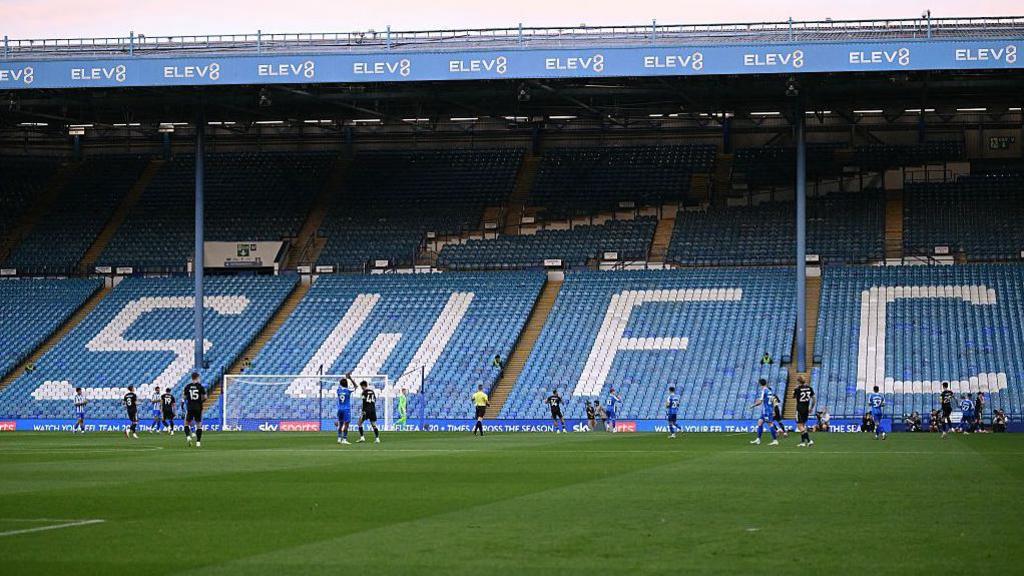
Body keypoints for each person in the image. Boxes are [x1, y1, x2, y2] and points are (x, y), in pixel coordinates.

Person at [750, 379, 779, 446]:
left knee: (770, 424)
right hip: (767, 410)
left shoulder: (764, 390)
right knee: (760, 422)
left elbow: (760, 402)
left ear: (760, 384)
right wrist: (773, 410)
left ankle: (775, 440)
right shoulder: (770, 391)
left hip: (767, 411)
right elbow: (774, 401)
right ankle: (758, 439)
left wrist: (753, 405)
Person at [182, 372, 206, 447]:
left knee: (186, 423)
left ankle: (188, 437)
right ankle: (198, 442)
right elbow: (205, 397)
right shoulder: (200, 386)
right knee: (199, 424)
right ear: (197, 377)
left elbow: (184, 397)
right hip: (198, 407)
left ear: (192, 378)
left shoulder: (187, 386)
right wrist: (200, 401)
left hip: (190, 407)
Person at [792, 375, 815, 447]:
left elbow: (793, 396)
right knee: (803, 425)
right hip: (806, 409)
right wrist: (811, 408)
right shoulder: (810, 388)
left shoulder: (797, 389)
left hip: (799, 409)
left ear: (798, 381)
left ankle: (809, 440)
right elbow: (814, 399)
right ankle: (802, 442)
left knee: (799, 426)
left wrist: (794, 391)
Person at [336, 378, 353, 445]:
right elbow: (356, 387)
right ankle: (344, 439)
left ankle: (339, 438)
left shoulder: (338, 390)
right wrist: (350, 378)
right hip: (346, 409)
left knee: (340, 424)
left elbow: (340, 386)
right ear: (346, 384)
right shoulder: (348, 390)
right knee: (346, 424)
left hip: (340, 409)